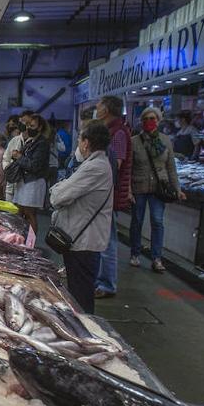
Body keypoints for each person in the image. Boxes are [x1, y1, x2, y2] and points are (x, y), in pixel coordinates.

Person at [49, 121, 114, 313]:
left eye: (79, 139)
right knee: (77, 292)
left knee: (80, 298)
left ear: (86, 143)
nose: (78, 143)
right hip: (82, 240)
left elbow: (59, 196)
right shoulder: (95, 164)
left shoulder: (95, 167)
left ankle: (84, 336)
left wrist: (56, 189)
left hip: (84, 243)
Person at [130, 106, 185, 272]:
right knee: (137, 221)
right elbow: (129, 168)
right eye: (146, 119)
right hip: (139, 186)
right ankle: (135, 253)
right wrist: (128, 190)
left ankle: (156, 258)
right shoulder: (134, 142)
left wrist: (178, 189)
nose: (149, 122)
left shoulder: (165, 141)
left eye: (152, 119)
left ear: (158, 121)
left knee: (157, 221)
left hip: (159, 188)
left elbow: (171, 168)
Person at [93, 95, 131, 299]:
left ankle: (107, 284)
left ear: (106, 110)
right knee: (102, 239)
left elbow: (113, 168)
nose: (96, 110)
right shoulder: (112, 131)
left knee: (107, 241)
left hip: (108, 196)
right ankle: (100, 280)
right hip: (105, 195)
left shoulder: (117, 133)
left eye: (98, 107)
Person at [7, 113, 51, 225]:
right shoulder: (31, 141)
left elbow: (34, 165)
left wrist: (19, 157)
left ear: (40, 127)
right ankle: (20, 238)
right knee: (20, 212)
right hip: (24, 181)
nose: (28, 128)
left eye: (32, 126)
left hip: (33, 183)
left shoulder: (42, 143)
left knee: (30, 214)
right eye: (27, 125)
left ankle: (31, 242)